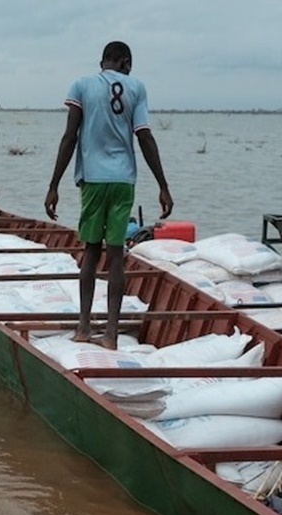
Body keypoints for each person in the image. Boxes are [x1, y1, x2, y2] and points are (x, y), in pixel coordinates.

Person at [45, 41, 173, 350]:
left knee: (90, 252)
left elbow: (69, 137)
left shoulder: (82, 85)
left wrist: (53, 185)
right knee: (116, 255)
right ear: (126, 63)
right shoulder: (136, 88)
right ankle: (112, 334)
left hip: (93, 180)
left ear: (103, 61)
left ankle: (84, 327)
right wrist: (163, 185)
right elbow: (144, 136)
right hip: (123, 181)